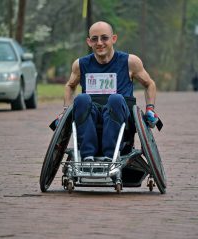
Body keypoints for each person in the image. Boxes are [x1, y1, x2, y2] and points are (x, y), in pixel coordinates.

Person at [64, 21, 158, 162]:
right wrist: (65, 110)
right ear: (89, 42)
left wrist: (150, 109)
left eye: (104, 38)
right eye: (94, 39)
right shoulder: (80, 64)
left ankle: (110, 154)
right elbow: (70, 86)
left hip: (119, 116)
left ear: (114, 39)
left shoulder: (130, 62)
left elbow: (149, 84)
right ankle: (87, 154)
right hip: (91, 116)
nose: (99, 43)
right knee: (81, 99)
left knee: (116, 99)